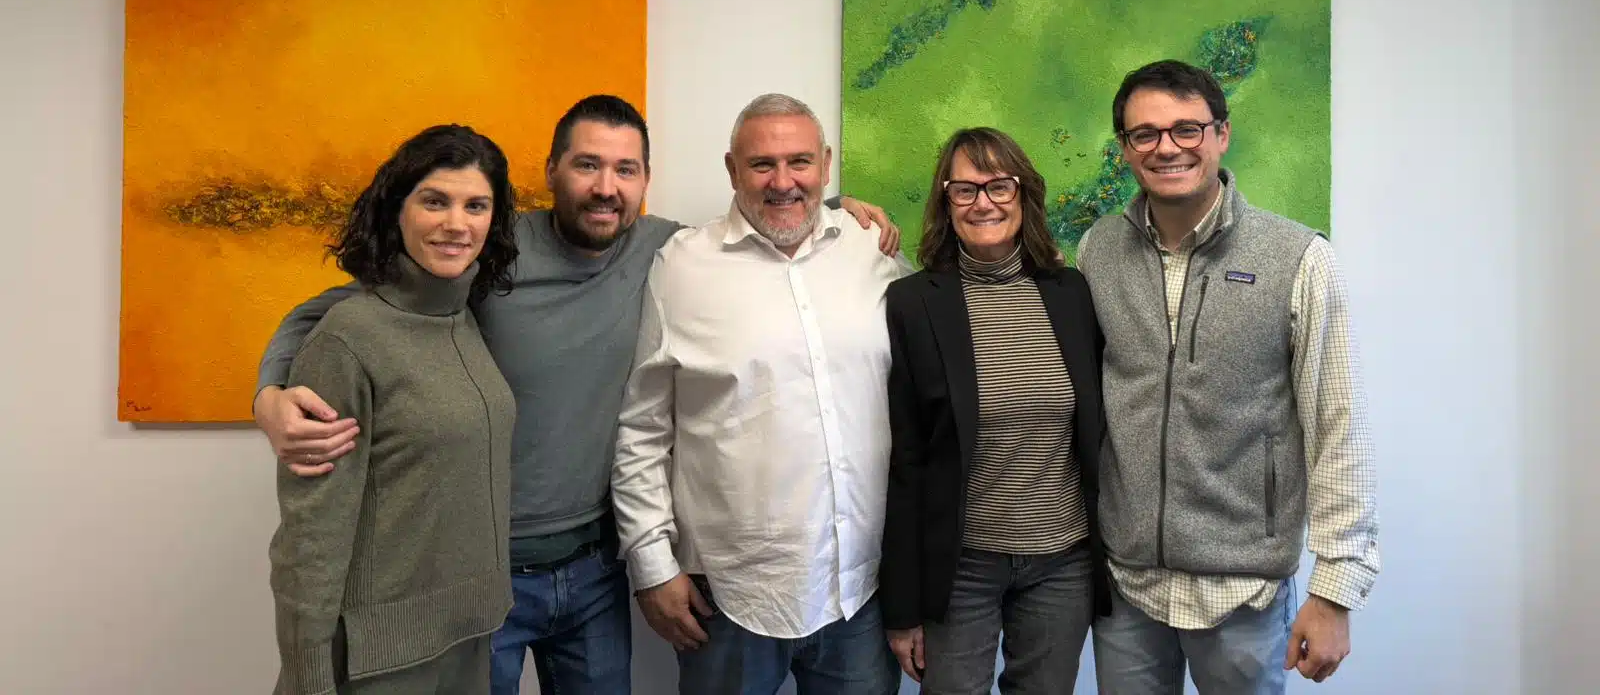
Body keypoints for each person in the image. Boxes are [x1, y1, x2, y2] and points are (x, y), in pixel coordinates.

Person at [254, 95, 898, 695]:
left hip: (594, 570)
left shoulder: (666, 251)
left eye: (625, 169)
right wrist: (270, 393)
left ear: (645, 180)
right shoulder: (496, 249)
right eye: (587, 165)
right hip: (485, 571)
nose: (605, 187)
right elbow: (353, 310)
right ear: (552, 171)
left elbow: (775, 209)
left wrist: (840, 208)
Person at [1079, 61, 1379, 694]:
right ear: (1125, 148)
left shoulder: (1300, 258)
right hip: (1127, 586)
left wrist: (1336, 590)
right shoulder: (1096, 252)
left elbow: (1339, 424)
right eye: (1145, 134)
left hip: (1245, 593)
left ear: (1221, 134)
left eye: (1186, 128)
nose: (1167, 147)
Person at [612, 94, 908, 695]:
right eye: (761, 164)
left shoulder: (873, 251)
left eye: (799, 161)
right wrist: (651, 566)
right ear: (732, 169)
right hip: (728, 597)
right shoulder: (682, 266)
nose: (783, 181)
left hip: (860, 592)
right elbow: (643, 429)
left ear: (826, 164)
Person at [268, 124, 518, 695]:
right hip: (380, 657)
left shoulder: (464, 317)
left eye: (475, 206)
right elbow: (311, 533)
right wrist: (308, 675)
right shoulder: (347, 339)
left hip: (468, 635)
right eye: (435, 201)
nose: (456, 224)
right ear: (396, 210)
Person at [879, 127, 1110, 695]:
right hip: (961, 566)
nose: (983, 203)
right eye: (965, 189)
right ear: (946, 202)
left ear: (1024, 194)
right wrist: (902, 608)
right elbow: (905, 462)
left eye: (999, 186)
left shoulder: (1071, 293)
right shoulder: (912, 303)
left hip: (1062, 561)